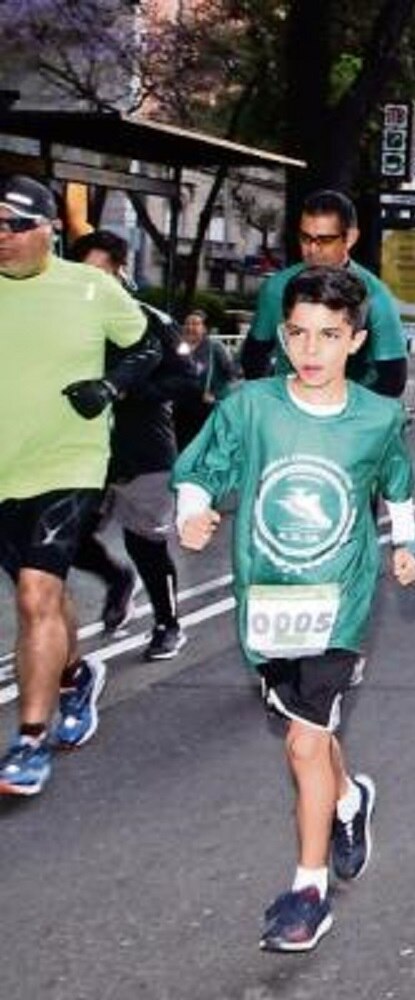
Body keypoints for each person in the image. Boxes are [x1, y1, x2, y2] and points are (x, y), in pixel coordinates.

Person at [174, 265, 415, 952]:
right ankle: (349, 800)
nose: (312, 350)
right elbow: (203, 468)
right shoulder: (250, 407)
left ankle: (307, 891)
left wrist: (407, 542)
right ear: (283, 336)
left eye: (330, 335)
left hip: (338, 601)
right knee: (304, 727)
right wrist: (192, 514)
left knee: (303, 739)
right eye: (300, 334)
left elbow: (396, 477)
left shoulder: (376, 415)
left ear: (356, 340)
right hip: (267, 598)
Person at [0, 175, 154, 797]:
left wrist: (110, 387)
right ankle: (73, 677)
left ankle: (29, 742)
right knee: (45, 595)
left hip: (69, 464)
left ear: (47, 229)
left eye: (13, 226)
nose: (2, 238)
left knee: (35, 596)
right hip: (5, 468)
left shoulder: (91, 287)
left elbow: (150, 346)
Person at [67, 230, 196, 661]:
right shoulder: (61, 323)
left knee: (147, 545)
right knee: (66, 538)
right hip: (79, 456)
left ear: (121, 272)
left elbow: (187, 377)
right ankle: (117, 579)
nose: (94, 283)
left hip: (142, 452)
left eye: (103, 273)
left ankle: (167, 623)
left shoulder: (150, 320)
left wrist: (126, 392)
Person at [241, 190, 408, 398]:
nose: (312, 249)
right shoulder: (275, 288)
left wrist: (349, 415)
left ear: (351, 238)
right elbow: (254, 357)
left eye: (325, 240)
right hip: (288, 412)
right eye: (305, 238)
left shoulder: (376, 296)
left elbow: (393, 378)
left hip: (350, 417)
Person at [174, 309, 240, 450]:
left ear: (204, 328)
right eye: (187, 324)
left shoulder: (215, 347)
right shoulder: (180, 347)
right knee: (183, 447)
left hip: (207, 407)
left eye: (195, 324)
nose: (190, 327)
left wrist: (216, 396)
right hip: (183, 407)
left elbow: (233, 374)